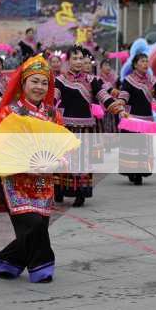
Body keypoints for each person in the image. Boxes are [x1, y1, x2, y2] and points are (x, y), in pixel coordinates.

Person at [0, 54, 64, 283]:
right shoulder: (9, 112)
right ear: (23, 83)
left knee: (38, 224)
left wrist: (55, 161)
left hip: (43, 178)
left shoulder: (53, 114)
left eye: (44, 82)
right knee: (30, 224)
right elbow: (0, 145)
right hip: (16, 178)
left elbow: (63, 147)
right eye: (34, 81)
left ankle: (5, 263)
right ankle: (42, 267)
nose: (39, 87)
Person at [54, 46, 122, 206]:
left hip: (86, 126)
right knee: (64, 160)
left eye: (81, 58)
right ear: (68, 61)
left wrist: (118, 107)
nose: (78, 62)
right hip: (65, 127)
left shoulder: (93, 80)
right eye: (75, 58)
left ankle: (80, 194)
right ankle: (59, 190)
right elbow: (52, 98)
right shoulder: (60, 80)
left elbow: (103, 96)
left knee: (83, 161)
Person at [117, 53, 156, 185]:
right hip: (132, 119)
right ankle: (132, 173)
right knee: (132, 146)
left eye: (146, 61)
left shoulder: (151, 80)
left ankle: (141, 172)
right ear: (135, 64)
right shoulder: (128, 80)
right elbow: (123, 96)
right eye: (142, 61)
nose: (145, 64)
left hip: (147, 119)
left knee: (143, 147)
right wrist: (119, 104)